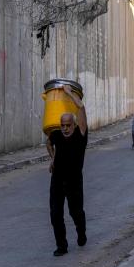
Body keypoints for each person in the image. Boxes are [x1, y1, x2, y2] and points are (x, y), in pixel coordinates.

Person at [46, 85, 88, 257]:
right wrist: (52, 159)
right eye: (63, 125)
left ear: (74, 124)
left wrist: (69, 93)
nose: (65, 128)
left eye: (68, 125)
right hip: (57, 180)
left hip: (74, 181)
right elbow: (48, 143)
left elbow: (81, 108)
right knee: (55, 214)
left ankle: (81, 233)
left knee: (75, 212)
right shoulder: (56, 135)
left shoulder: (80, 135)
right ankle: (61, 246)